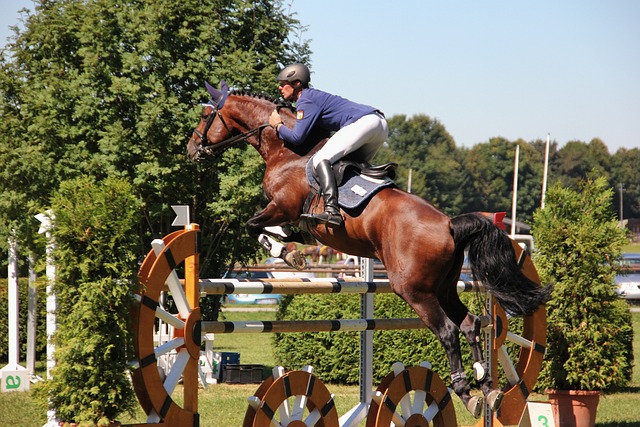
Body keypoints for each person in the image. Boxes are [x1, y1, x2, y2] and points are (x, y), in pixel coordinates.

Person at [269, 63, 388, 227]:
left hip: (364, 123)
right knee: (352, 168)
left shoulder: (305, 99)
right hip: (379, 125)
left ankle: (332, 211)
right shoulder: (312, 97)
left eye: (283, 84)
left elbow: (297, 137)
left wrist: (277, 126)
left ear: (297, 84)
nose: (279, 87)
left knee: (320, 160)